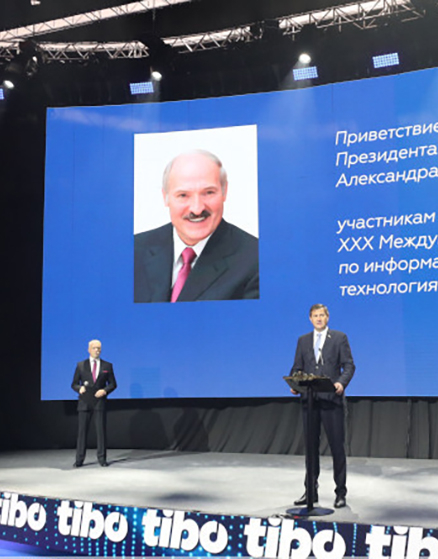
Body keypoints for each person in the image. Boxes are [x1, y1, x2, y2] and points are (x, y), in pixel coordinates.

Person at [134, 149, 260, 303]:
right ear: (165, 197)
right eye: (183, 195)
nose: (197, 208)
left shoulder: (256, 261)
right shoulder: (133, 250)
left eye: (208, 192)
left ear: (224, 191)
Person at [291, 304, 355, 509]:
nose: (319, 318)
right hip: (309, 402)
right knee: (311, 448)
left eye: (322, 315)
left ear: (327, 318)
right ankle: (310, 491)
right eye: (315, 316)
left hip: (331, 400)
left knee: (337, 447)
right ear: (310, 319)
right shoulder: (302, 340)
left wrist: (341, 383)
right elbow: (297, 367)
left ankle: (340, 493)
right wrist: (295, 383)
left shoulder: (339, 338)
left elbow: (349, 365)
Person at [71, 339, 117, 467]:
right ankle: (79, 459)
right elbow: (74, 384)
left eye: (99, 348)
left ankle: (102, 458)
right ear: (89, 350)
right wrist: (79, 388)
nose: (97, 350)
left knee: (101, 431)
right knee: (82, 432)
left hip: (99, 402)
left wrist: (104, 390)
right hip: (84, 402)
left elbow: (113, 384)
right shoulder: (81, 365)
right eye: (94, 348)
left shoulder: (107, 366)